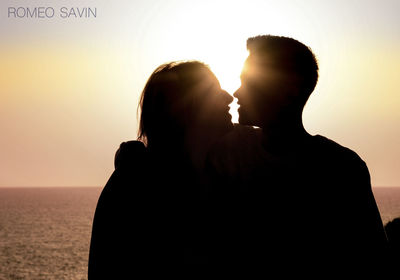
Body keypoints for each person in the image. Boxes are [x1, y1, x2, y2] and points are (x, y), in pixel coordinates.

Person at [207, 35, 388, 274]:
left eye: (250, 83)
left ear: (289, 91)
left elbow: (373, 259)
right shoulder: (227, 145)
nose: (236, 93)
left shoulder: (340, 168)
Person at [88, 61, 233, 278]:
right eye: (213, 91)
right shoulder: (136, 185)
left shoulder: (210, 175)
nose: (229, 97)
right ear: (187, 107)